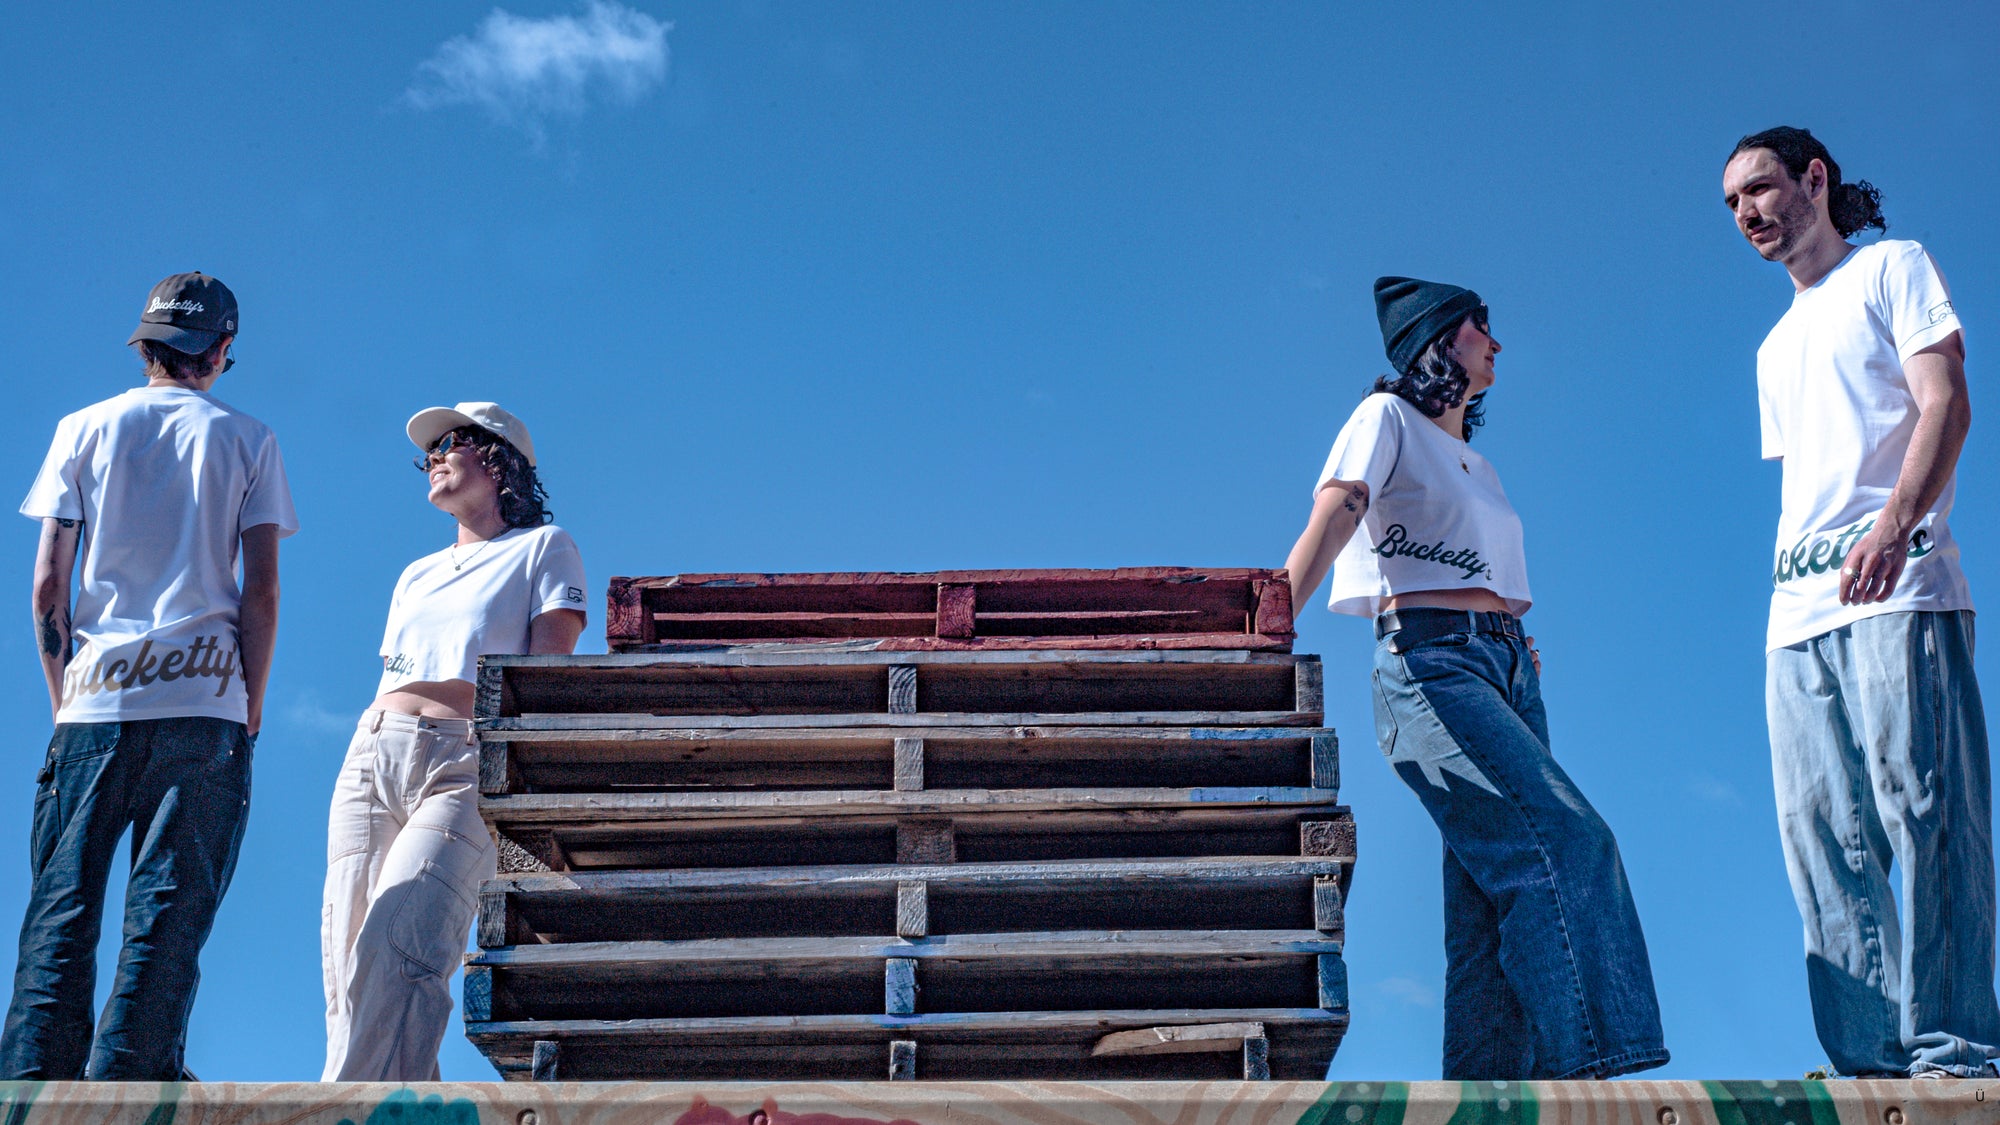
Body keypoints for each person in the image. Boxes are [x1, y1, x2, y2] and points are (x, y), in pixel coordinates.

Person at [1283, 276, 1666, 1080]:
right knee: (1568, 841)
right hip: (1433, 662)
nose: (1496, 340)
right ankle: (1593, 1071)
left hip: (1508, 672)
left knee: (1488, 904)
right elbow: (1342, 505)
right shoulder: (1382, 417)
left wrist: (1516, 646)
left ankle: (1491, 1094)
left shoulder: (1480, 467)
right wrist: (1273, 614)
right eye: (1478, 326)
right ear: (1436, 340)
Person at [1723, 126, 1999, 1078]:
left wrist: (1894, 524)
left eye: (1759, 187)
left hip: (1903, 585)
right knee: (1821, 843)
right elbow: (1814, 475)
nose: (1748, 212)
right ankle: (1870, 1062)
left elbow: (1947, 400)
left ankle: (1957, 1049)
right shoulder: (1772, 345)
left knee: (1925, 811)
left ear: (1815, 178)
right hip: (1796, 618)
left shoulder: (1892, 267)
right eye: (1732, 204)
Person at [1, 273, 295, 1079]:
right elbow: (260, 588)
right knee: (167, 910)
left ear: (147, 344)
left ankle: (31, 1082)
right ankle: (131, 1078)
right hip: (205, 703)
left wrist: (66, 700)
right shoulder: (250, 439)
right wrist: (251, 702)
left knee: (61, 906)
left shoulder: (82, 428)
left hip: (94, 702)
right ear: (223, 350)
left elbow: (47, 585)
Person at [321, 401, 587, 1081]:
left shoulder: (543, 550)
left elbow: (547, 678)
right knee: (345, 954)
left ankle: (355, 1108)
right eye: (431, 447)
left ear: (500, 463)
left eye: (453, 442)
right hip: (371, 753)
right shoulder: (414, 572)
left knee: (401, 945)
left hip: (463, 760)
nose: (435, 454)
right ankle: (390, 1100)